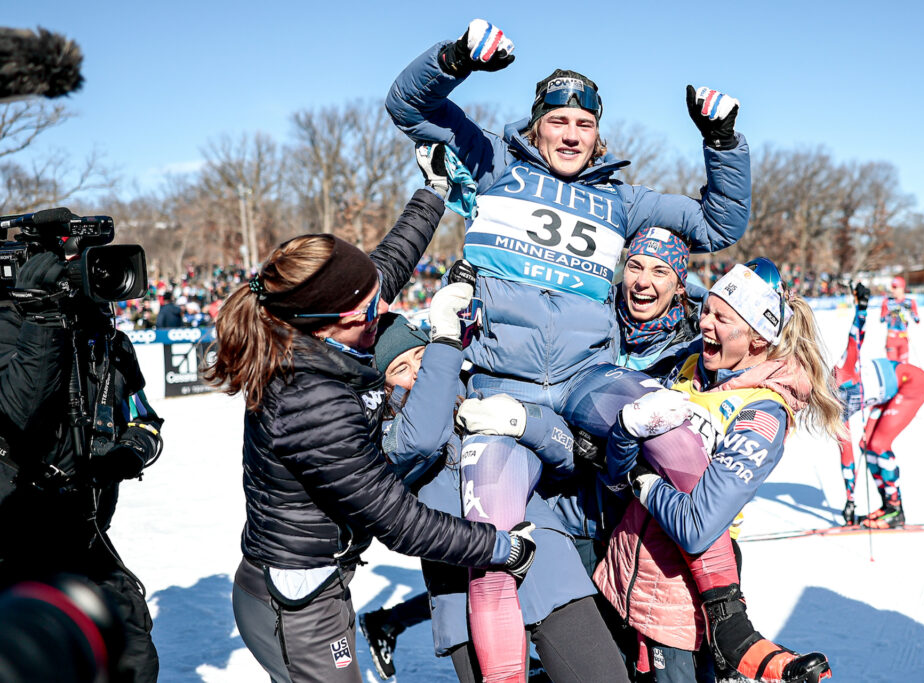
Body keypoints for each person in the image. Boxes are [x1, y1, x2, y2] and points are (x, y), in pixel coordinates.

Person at [387, 19, 751, 682]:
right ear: (537, 127)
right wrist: (455, 58)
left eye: (584, 124)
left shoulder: (621, 201)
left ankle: (731, 622)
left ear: (598, 135)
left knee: (674, 433)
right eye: (558, 121)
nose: (572, 133)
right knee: (494, 551)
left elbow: (719, 223)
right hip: (504, 390)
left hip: (590, 381)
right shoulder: (494, 167)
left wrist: (722, 142)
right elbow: (408, 106)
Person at [206, 188, 537, 683]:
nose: (381, 309)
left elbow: (387, 264)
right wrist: (502, 548)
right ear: (329, 321)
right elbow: (397, 521)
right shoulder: (310, 399)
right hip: (298, 603)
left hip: (318, 580)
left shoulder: (315, 322)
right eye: (369, 309)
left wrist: (433, 195)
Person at [600, 259, 840, 683]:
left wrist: (642, 480)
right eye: (706, 311)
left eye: (721, 318)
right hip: (625, 567)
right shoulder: (694, 366)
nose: (704, 323)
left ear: (757, 337)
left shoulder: (762, 410)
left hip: (682, 586)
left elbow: (698, 526)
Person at [362, 311, 629, 682]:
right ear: (383, 386)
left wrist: (523, 420)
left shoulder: (482, 386)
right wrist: (440, 376)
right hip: (462, 595)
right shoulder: (383, 438)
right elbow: (420, 443)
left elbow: (566, 458)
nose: (419, 373)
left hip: (544, 564)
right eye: (400, 369)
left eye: (423, 357)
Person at [0, 250, 165, 682]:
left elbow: (145, 420)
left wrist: (129, 452)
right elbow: (19, 417)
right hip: (16, 544)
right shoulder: (10, 328)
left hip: (88, 536)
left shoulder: (110, 342)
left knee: (134, 654)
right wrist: (41, 320)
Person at [835, 283, 924, 528]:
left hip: (912, 383)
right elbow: (847, 456)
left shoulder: (842, 372)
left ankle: (896, 510)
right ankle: (888, 505)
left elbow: (855, 338)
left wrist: (862, 307)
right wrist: (850, 500)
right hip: (887, 393)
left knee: (879, 444)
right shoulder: (835, 414)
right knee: (865, 444)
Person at [879, 276, 919, 363]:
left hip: (903, 339)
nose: (892, 290)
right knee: (893, 366)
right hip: (891, 338)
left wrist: (910, 310)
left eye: (895, 287)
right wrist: (891, 314)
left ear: (902, 288)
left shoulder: (909, 302)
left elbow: (917, 320)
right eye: (892, 287)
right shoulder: (887, 302)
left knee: (903, 367)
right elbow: (882, 319)